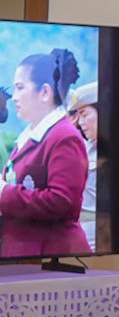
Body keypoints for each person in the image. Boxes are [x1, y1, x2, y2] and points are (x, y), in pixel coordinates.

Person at [2, 49, 91, 257]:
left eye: (20, 88)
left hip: (51, 256)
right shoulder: (30, 136)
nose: (14, 98)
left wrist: (4, 192)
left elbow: (61, 201)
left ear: (44, 92)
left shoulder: (64, 136)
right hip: (27, 255)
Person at [68, 81, 102, 251]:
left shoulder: (114, 149)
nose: (80, 122)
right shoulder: (87, 148)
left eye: (84, 114)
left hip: (99, 231)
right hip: (81, 230)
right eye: (78, 115)